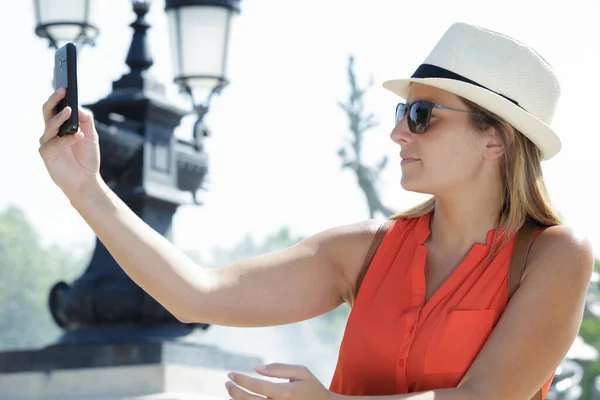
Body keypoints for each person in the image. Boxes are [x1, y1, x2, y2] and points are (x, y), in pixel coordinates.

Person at [38, 21, 593, 400]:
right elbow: (195, 295)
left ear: (494, 140)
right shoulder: (363, 251)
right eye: (403, 111)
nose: (397, 131)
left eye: (422, 115)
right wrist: (85, 187)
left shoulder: (555, 256)